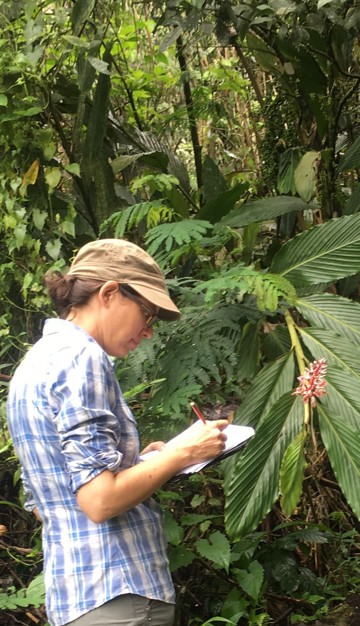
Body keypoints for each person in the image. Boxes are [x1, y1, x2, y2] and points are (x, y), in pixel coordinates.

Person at [6, 238, 228, 626]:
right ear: (109, 293)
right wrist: (182, 454)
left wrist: (147, 463)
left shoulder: (34, 364)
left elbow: (51, 502)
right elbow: (99, 502)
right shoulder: (83, 357)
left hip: (78, 595)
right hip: (120, 592)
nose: (148, 332)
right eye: (147, 313)